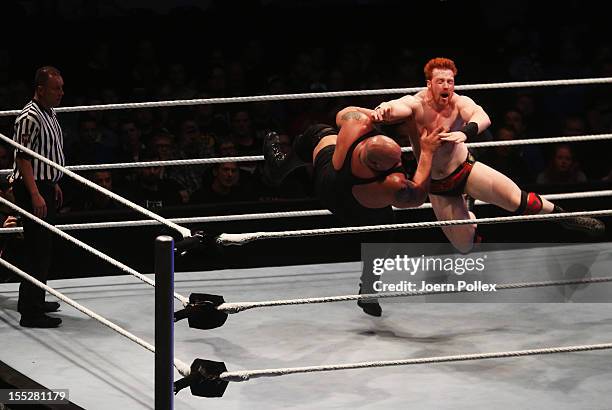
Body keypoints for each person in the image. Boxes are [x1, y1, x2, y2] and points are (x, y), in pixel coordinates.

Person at [372, 57, 604, 253]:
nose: (446, 86)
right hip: (437, 184)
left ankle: (566, 218)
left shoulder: (459, 102)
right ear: (429, 83)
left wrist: (464, 133)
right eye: (440, 81)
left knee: (517, 200)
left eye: (450, 81)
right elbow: (400, 106)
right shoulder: (417, 103)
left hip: (465, 169)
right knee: (463, 246)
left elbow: (481, 116)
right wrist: (386, 109)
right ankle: (470, 212)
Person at [264, 106, 443, 316]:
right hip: (359, 209)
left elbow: (343, 112)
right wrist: (428, 151)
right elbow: (418, 196)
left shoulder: (354, 126)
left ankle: (281, 167)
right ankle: (369, 289)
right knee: (384, 230)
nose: (399, 163)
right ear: (377, 165)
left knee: (319, 133)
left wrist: (377, 115)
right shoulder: (393, 184)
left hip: (327, 184)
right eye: (395, 163)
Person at [10, 66, 65, 328]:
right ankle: (30, 312)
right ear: (40, 89)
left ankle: (35, 299)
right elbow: (23, 158)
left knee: (42, 248)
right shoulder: (29, 116)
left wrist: (52, 182)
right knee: (36, 250)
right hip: (32, 187)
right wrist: (35, 193)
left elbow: (46, 153)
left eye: (62, 88)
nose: (61, 93)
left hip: (44, 184)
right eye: (56, 88)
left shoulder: (49, 112)